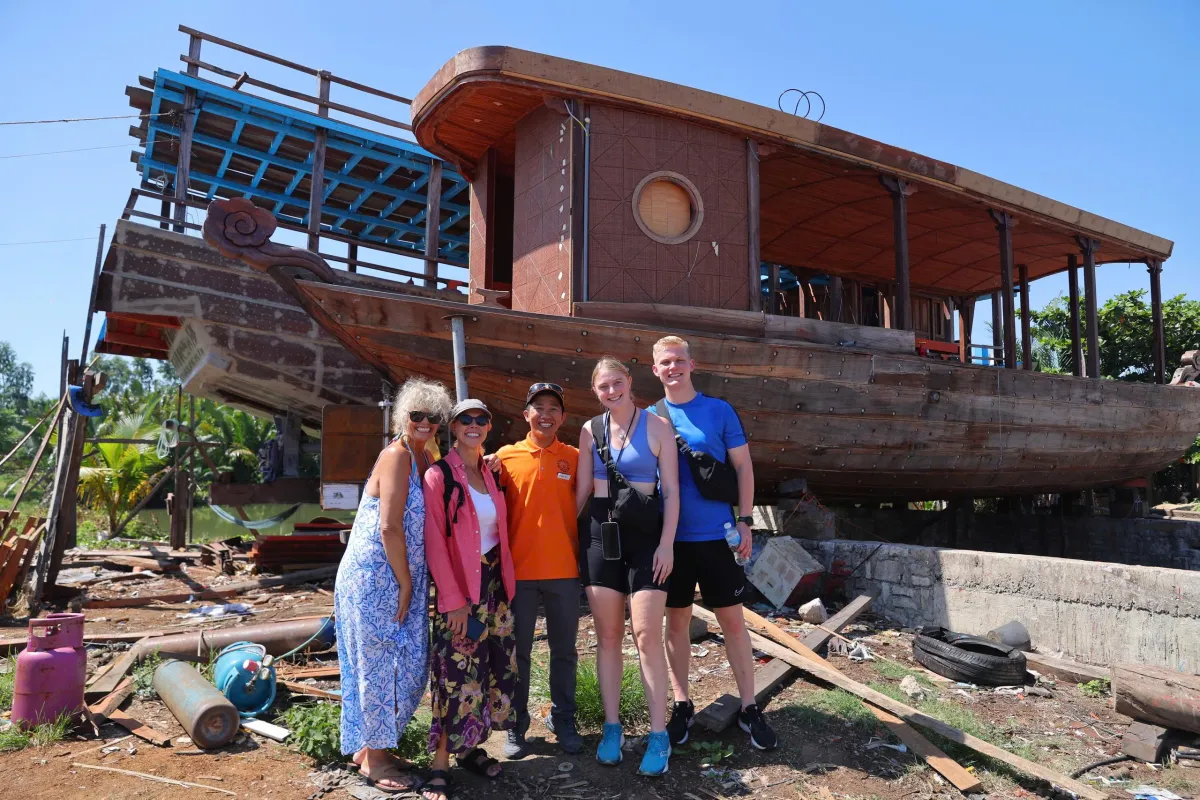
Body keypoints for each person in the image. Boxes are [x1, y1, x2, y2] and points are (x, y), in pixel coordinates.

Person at [648, 335, 779, 751]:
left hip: (718, 536)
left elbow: (743, 468)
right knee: (677, 623)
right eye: (665, 362)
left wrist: (746, 520)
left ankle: (749, 706)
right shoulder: (650, 416)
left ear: (692, 364)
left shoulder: (719, 410)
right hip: (672, 541)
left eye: (679, 360)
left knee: (733, 623)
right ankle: (682, 704)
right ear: (655, 370)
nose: (673, 367)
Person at [335, 377, 453, 794]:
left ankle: (372, 746)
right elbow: (389, 527)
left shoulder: (427, 456)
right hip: (377, 576)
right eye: (417, 414)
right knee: (379, 665)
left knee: (407, 665)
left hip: (402, 577)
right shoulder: (397, 456)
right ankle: (375, 758)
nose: (425, 422)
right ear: (403, 416)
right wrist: (405, 583)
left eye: (433, 416)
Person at [576, 357, 680, 776]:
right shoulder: (590, 430)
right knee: (607, 636)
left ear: (629, 382)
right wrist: (564, 538)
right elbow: (582, 490)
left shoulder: (658, 427)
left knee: (646, 635)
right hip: (601, 534)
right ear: (595, 391)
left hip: (646, 535)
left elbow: (671, 492)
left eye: (616, 383)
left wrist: (667, 545)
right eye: (603, 386)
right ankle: (612, 727)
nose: (611, 391)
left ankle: (659, 734)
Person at [422, 399, 519, 800]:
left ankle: (469, 748)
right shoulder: (438, 475)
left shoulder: (490, 471)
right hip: (462, 589)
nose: (473, 425)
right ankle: (439, 763)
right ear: (454, 427)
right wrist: (453, 600)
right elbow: (434, 541)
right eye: (466, 420)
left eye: (481, 419)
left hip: (496, 588)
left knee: (491, 670)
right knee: (455, 675)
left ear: (489, 427)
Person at [492, 383, 584, 757]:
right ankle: (516, 726)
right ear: (526, 414)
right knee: (519, 654)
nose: (545, 415)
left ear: (563, 417)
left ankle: (564, 720)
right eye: (538, 407)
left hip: (564, 569)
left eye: (553, 409)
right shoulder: (505, 457)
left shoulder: (575, 457)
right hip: (520, 573)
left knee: (564, 651)